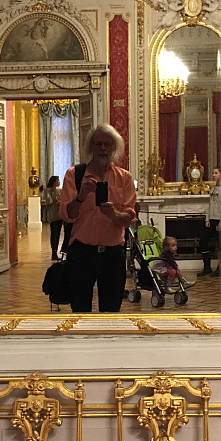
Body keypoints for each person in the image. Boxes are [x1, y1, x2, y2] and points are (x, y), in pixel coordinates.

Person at [60, 124, 136, 312]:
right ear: (90, 147)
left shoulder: (124, 178)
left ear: (114, 148)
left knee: (111, 311)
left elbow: (128, 220)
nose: (102, 148)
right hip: (81, 253)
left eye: (107, 144)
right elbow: (68, 216)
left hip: (112, 254)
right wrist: (81, 197)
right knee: (79, 309)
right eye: (98, 144)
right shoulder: (74, 175)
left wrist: (113, 214)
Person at [198, 167, 221, 277]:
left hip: (219, 220)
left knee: (220, 245)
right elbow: (210, 204)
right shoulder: (213, 188)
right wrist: (207, 218)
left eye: (216, 173)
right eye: (213, 173)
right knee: (203, 240)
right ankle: (207, 267)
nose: (214, 175)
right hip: (211, 219)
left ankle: (220, 268)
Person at [43, 175, 63, 260]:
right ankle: (53, 252)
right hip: (53, 215)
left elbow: (63, 199)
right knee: (54, 234)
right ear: (54, 182)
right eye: (58, 180)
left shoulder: (60, 190)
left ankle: (56, 251)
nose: (59, 182)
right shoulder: (48, 191)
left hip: (59, 215)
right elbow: (49, 201)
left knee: (58, 234)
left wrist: (61, 201)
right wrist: (46, 192)